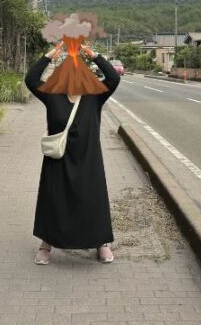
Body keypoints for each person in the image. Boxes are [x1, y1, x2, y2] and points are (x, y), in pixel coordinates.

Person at [25, 41, 121, 265]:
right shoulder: (52, 97)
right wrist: (50, 55)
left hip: (88, 160)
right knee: (54, 199)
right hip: (58, 160)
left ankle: (101, 243)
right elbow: (31, 80)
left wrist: (92, 54)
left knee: (93, 199)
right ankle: (46, 244)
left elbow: (114, 79)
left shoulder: (95, 97)